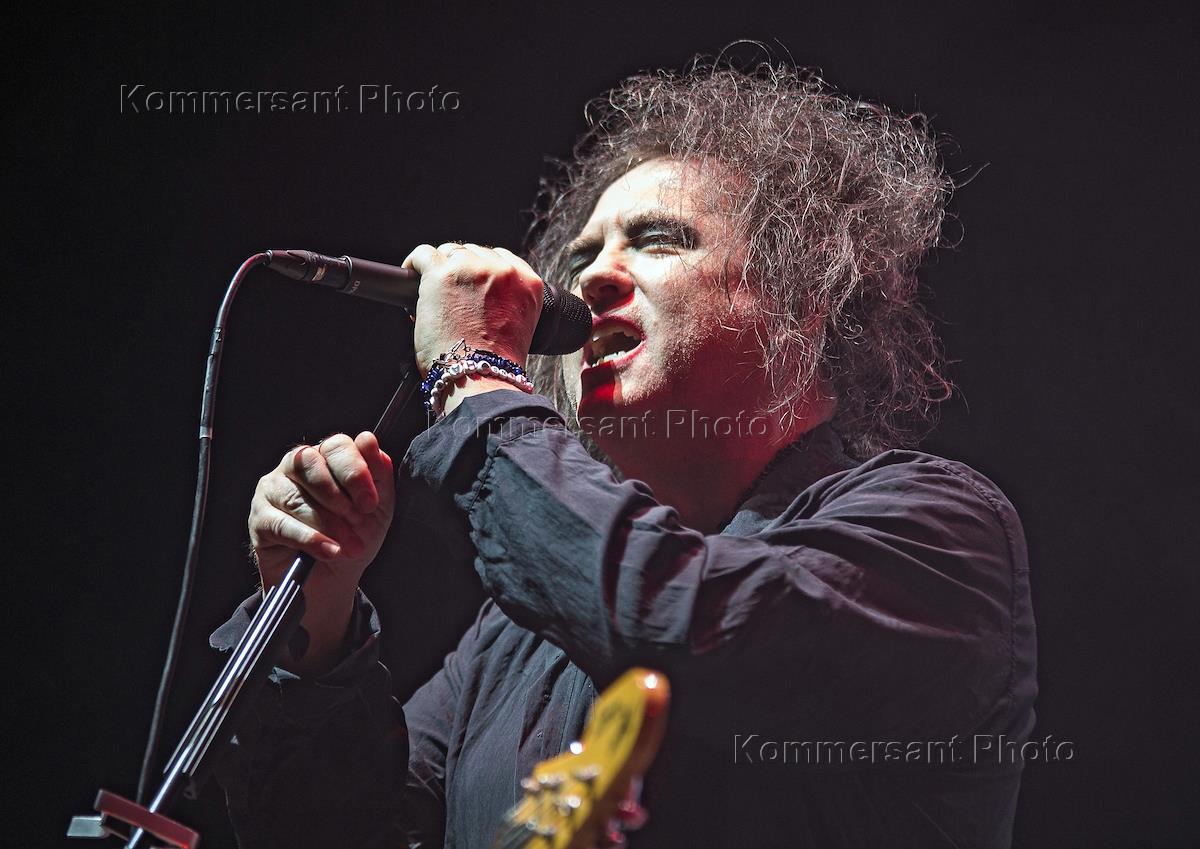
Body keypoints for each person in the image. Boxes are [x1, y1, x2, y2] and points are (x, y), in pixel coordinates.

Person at [211, 60, 1036, 849]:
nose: (592, 281)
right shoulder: (509, 643)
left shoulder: (940, 533)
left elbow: (684, 624)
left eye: (658, 240)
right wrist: (315, 620)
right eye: (578, 259)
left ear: (804, 298)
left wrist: (471, 374)